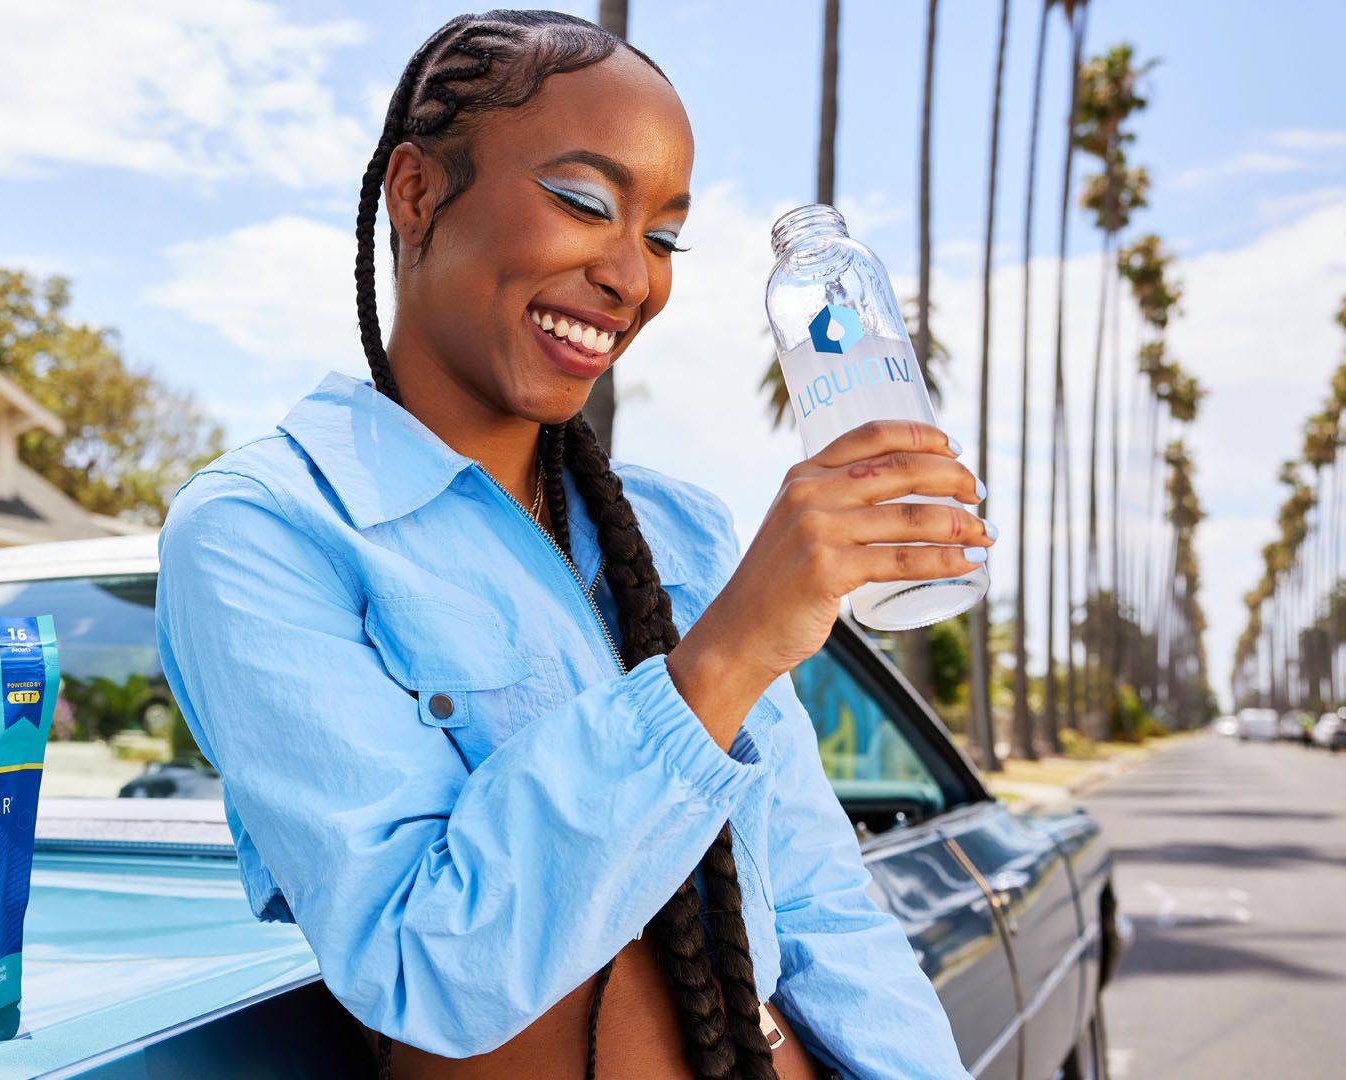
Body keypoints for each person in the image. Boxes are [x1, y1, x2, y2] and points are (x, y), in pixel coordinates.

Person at [154, 10, 989, 1079]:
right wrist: (721, 660)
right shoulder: (266, 530)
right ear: (416, 195)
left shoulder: (680, 530)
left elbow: (822, 902)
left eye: (663, 237)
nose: (631, 277)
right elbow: (431, 962)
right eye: (585, 203)